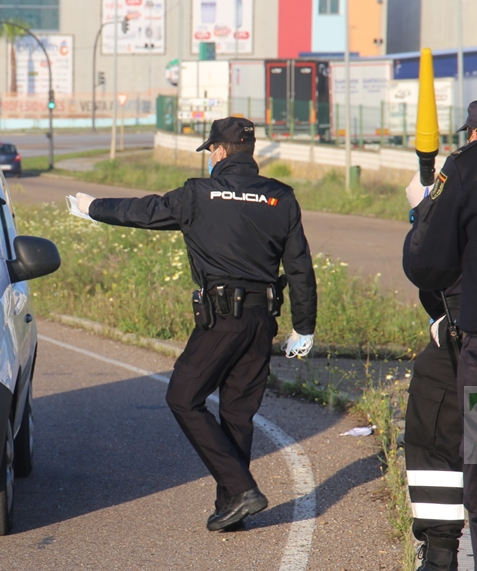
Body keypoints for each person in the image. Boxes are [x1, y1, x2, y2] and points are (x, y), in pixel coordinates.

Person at [75, 117, 317, 532]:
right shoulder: (282, 197)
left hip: (222, 318)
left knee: (183, 397)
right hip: (262, 321)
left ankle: (241, 490)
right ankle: (232, 508)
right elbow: (299, 267)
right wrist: (305, 325)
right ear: (250, 150)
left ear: (220, 152)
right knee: (238, 415)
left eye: (211, 151)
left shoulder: (199, 194)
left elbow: (145, 211)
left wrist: (93, 208)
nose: (210, 158)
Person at [397, 54, 477, 571]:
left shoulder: (470, 167)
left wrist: (425, 210)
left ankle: (442, 563)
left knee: (438, 440)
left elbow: (427, 266)